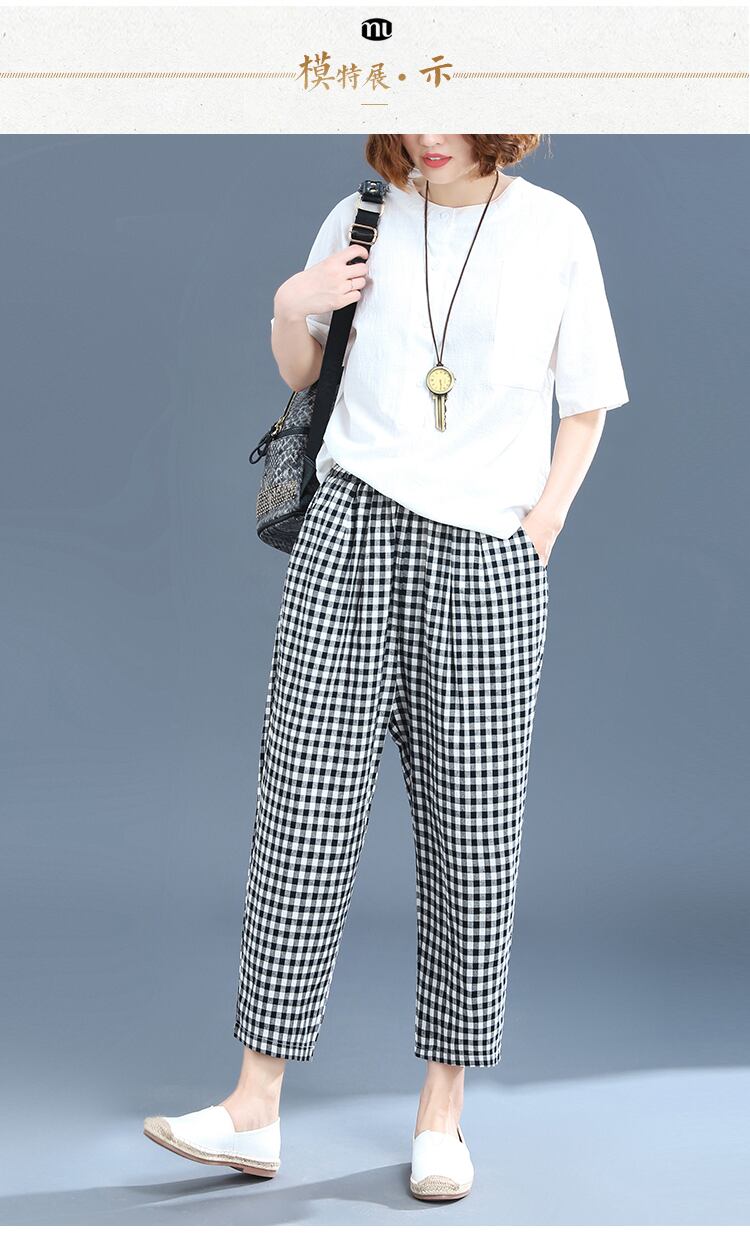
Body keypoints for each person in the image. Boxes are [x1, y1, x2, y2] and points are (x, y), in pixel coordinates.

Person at [144, 133, 629, 1201]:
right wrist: (290, 302)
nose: (427, 131)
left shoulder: (553, 231)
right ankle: (254, 1105)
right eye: (408, 104)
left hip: (485, 554)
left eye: (449, 103)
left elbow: (587, 401)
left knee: (472, 831)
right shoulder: (361, 212)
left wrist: (540, 527)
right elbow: (307, 371)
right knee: (301, 810)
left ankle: (442, 1114)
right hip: (351, 529)